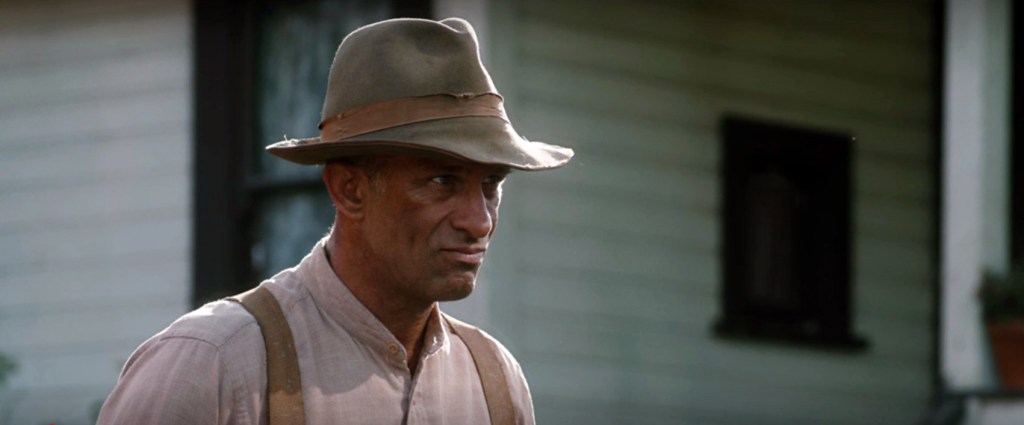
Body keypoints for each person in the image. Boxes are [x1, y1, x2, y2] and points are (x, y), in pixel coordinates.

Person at [96, 17, 572, 425]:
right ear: (349, 190)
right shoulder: (213, 363)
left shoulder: (494, 381)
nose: (479, 221)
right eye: (441, 181)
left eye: (491, 183)